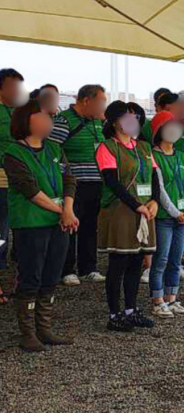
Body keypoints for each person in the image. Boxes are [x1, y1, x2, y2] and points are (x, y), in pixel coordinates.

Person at [4, 99, 78, 350]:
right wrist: (62, 211)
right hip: (31, 223)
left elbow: (70, 179)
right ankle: (27, 333)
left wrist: (67, 209)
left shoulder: (55, 149)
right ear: (28, 121)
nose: (49, 121)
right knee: (30, 275)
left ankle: (44, 328)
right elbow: (29, 189)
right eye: (43, 116)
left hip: (58, 222)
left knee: (51, 275)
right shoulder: (14, 153)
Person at [96, 101, 159, 332]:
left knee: (137, 260)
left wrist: (154, 201)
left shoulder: (143, 147)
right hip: (120, 211)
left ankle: (131, 310)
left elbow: (154, 177)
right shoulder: (107, 147)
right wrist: (136, 205)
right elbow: (112, 182)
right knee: (118, 262)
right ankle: (114, 314)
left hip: (143, 209)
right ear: (114, 122)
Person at [51, 84, 108, 286]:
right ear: (86, 100)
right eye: (101, 101)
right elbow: (53, 150)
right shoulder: (63, 120)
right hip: (73, 184)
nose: (103, 105)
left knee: (90, 227)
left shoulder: (98, 122)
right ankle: (67, 269)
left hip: (96, 182)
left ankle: (88, 268)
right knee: (70, 225)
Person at [149, 111, 184, 318]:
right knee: (161, 259)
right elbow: (159, 190)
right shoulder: (153, 156)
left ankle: (172, 298)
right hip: (165, 218)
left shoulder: (182, 156)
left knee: (176, 260)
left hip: (182, 217)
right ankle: (157, 301)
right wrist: (176, 213)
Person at [0, 67, 29, 300]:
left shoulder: (21, 113)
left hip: (19, 183)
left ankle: (22, 281)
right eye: (13, 86)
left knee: (21, 230)